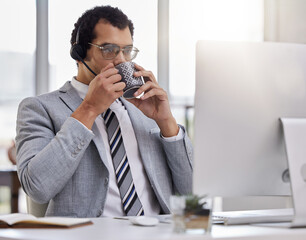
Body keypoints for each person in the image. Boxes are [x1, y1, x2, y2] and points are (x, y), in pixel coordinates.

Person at [15, 5, 193, 217]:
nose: (121, 61)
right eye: (109, 50)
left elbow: (191, 194)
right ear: (79, 53)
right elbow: (37, 188)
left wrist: (167, 123)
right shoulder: (39, 109)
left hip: (156, 232)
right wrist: (89, 109)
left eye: (127, 51)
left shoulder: (145, 109)